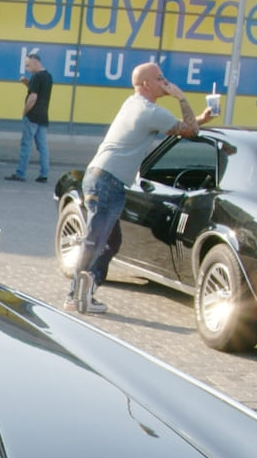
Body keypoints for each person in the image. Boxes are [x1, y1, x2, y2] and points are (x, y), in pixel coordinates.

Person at [65, 61, 214, 314]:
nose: (165, 82)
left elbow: (180, 127)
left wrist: (199, 119)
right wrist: (181, 97)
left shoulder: (135, 104)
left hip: (100, 176)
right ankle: (75, 296)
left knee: (109, 243)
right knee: (96, 242)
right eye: (160, 78)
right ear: (146, 83)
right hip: (108, 181)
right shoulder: (149, 111)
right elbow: (188, 131)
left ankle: (85, 293)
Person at [6, 53, 52, 183]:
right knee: (42, 146)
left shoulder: (37, 76)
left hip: (32, 116)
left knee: (26, 145)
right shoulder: (47, 76)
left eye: (28, 65)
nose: (27, 68)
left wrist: (24, 112)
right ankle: (44, 174)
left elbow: (33, 97)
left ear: (35, 62)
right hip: (43, 116)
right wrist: (27, 83)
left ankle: (20, 173)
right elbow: (38, 91)